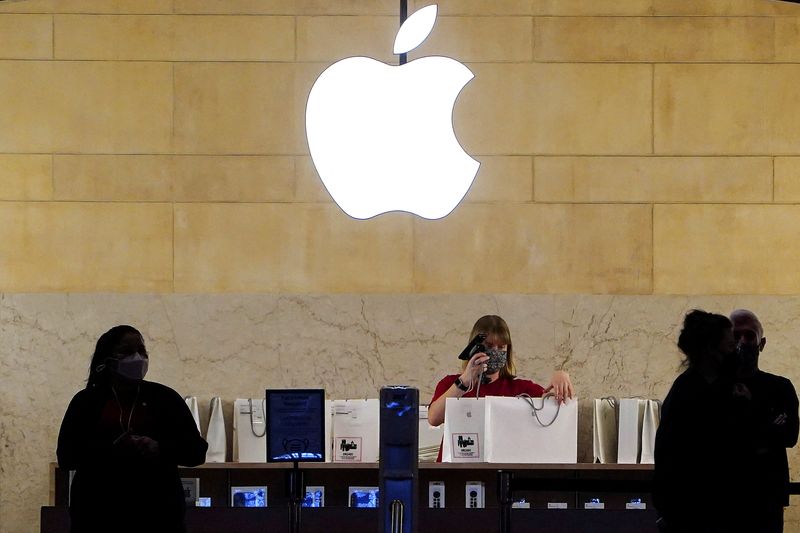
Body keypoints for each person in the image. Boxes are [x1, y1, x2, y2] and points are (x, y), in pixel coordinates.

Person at [57, 325, 208, 533]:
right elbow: (66, 457)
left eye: (142, 351)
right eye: (127, 351)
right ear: (107, 361)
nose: (137, 357)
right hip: (98, 516)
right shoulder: (86, 402)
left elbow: (197, 451)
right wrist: (110, 449)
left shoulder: (165, 398)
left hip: (158, 517)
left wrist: (159, 448)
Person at [427, 315, 574, 460]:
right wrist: (465, 380)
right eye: (489, 346)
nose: (495, 351)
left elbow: (556, 407)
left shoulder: (520, 388)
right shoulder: (451, 383)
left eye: (501, 347)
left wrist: (560, 377)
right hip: (456, 469)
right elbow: (434, 418)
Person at [653, 310, 743, 533]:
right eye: (731, 346)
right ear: (711, 350)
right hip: (699, 514)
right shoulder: (691, 395)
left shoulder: (705, 388)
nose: (737, 352)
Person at [729, 309, 798, 533]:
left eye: (749, 335)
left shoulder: (781, 387)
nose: (742, 342)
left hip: (766, 497)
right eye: (735, 335)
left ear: (762, 342)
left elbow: (789, 435)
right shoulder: (712, 388)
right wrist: (767, 424)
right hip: (724, 497)